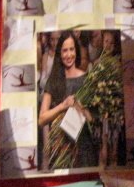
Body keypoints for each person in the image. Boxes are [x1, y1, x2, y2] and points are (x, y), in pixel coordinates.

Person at [38, 31, 98, 168]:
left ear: (76, 51)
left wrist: (80, 108)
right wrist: (62, 106)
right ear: (59, 53)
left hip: (84, 149)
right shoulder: (53, 81)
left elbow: (92, 119)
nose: (69, 54)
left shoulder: (86, 79)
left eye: (72, 49)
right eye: (65, 50)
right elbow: (42, 119)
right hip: (62, 149)